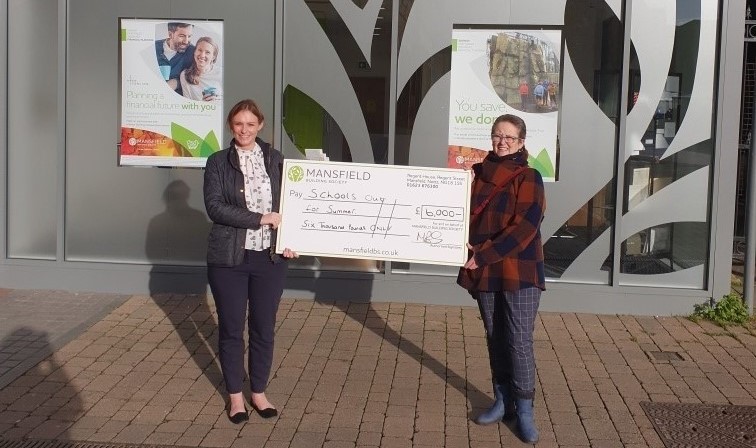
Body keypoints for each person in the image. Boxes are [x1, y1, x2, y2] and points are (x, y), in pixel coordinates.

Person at [203, 99, 298, 424]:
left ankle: (258, 392)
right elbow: (215, 207)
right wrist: (261, 218)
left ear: (260, 126)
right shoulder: (217, 162)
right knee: (231, 329)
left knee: (263, 328)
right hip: (229, 259)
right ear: (231, 126)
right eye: (238, 124)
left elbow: (293, 202)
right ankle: (235, 398)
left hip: (269, 260)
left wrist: (292, 239)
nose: (244, 130)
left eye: (250, 124)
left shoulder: (276, 160)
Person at [457, 114, 545, 443]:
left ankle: (524, 411)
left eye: (509, 137)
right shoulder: (476, 174)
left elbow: (524, 229)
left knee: (519, 342)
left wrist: (483, 254)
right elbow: (459, 213)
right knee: (495, 337)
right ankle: (502, 400)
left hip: (518, 270)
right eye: (497, 135)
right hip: (486, 269)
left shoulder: (530, 177)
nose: (502, 141)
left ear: (522, 142)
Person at [155, 22, 195, 95]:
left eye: (189, 36)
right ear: (170, 35)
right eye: (182, 36)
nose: (186, 41)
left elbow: (197, 76)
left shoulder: (193, 52)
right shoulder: (153, 47)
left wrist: (176, 82)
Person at [179, 36, 222, 101]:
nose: (202, 55)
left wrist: (219, 100)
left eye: (207, 52)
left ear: (213, 57)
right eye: (199, 50)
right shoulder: (185, 75)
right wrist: (203, 104)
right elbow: (187, 105)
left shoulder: (222, 73)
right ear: (194, 52)